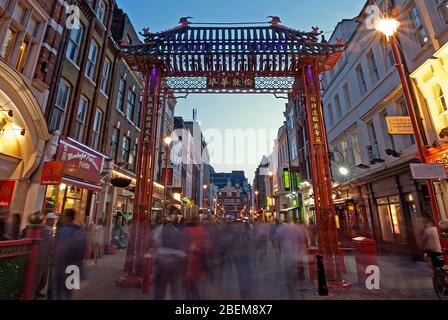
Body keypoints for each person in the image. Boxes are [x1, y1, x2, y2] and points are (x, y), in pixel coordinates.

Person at [52, 208, 87, 300]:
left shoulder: (62, 231)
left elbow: (57, 249)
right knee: (69, 293)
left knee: (58, 293)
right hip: (75, 267)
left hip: (62, 266)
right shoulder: (81, 231)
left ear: (67, 217)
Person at [152, 212, 187, 300]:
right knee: (175, 289)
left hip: (163, 260)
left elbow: (155, 241)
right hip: (177, 261)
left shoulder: (162, 228)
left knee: (160, 287)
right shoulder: (183, 230)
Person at [183, 215, 210, 300]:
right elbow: (207, 246)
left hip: (187, 265)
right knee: (197, 289)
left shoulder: (185, 231)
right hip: (198, 265)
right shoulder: (203, 231)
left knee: (188, 289)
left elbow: (180, 245)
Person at [34, 212, 58, 299]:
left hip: (46, 256)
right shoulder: (45, 229)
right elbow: (48, 243)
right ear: (49, 220)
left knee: (43, 276)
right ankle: (33, 293)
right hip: (42, 255)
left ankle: (37, 291)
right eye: (53, 220)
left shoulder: (48, 229)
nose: (54, 221)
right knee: (38, 275)